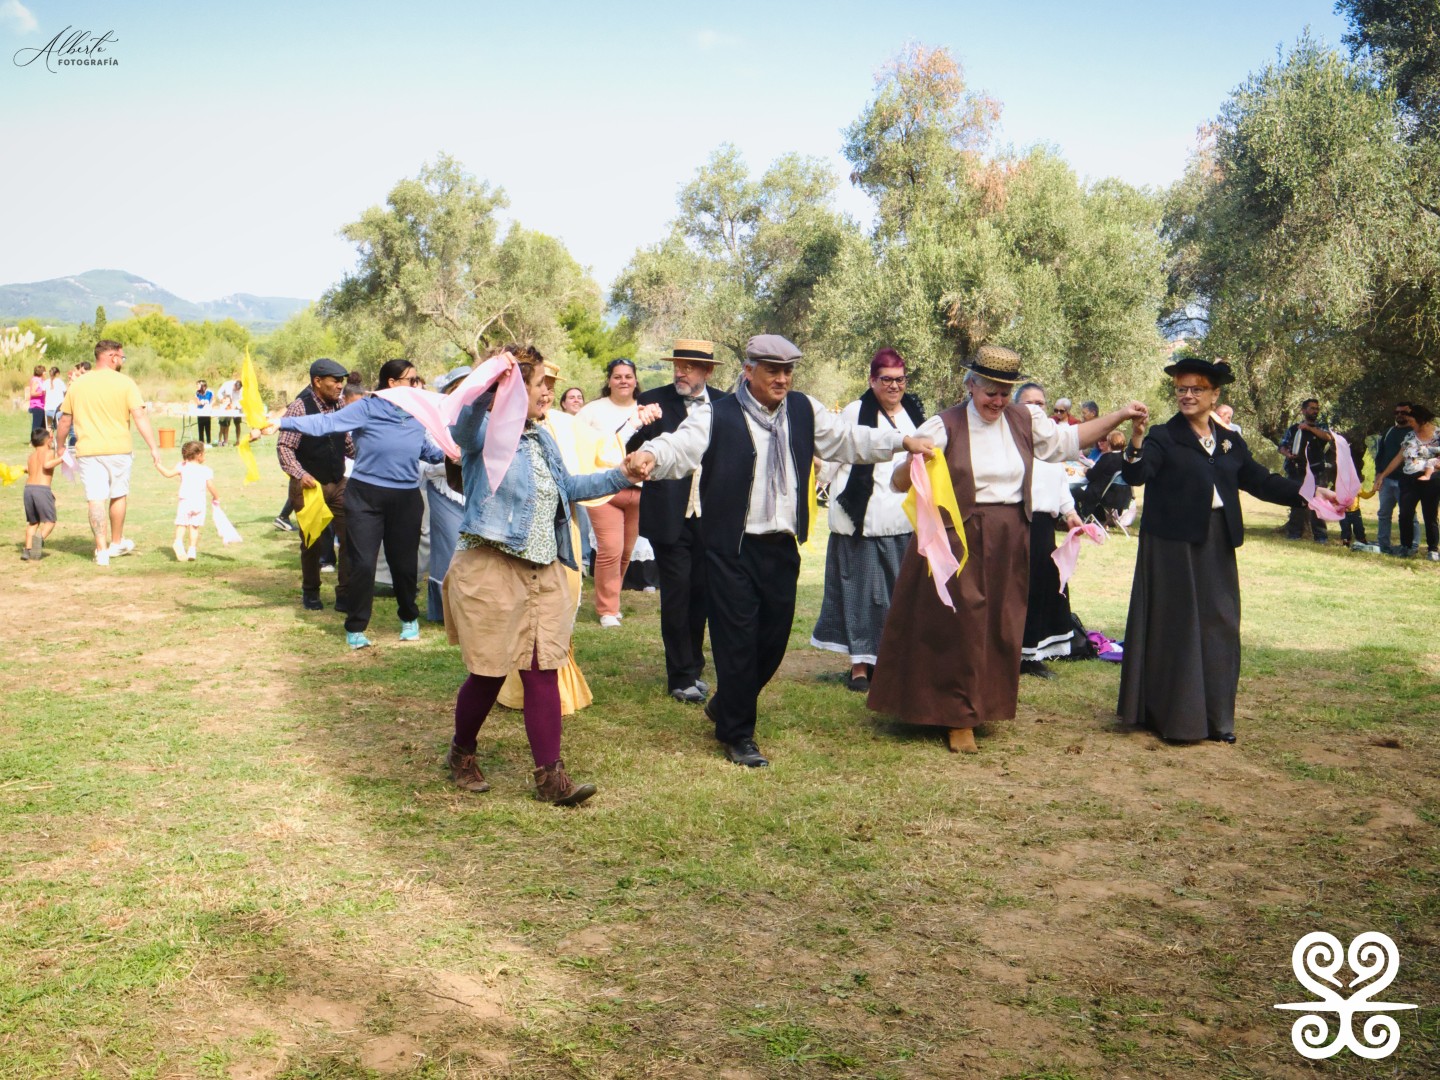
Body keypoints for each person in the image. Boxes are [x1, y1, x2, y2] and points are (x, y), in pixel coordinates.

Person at [627, 334, 933, 767]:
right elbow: (678, 445)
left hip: (782, 548)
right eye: (772, 370)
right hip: (731, 548)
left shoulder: (804, 410)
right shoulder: (718, 413)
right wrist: (649, 455)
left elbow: (849, 440)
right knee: (737, 643)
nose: (782, 379)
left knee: (771, 643)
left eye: (788, 371)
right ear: (749, 371)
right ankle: (738, 734)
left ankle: (726, 703)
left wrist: (901, 442)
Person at [866, 346, 1144, 752]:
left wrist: (1119, 415)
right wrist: (914, 462)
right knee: (960, 624)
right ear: (971, 385)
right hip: (959, 535)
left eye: (1004, 393)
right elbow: (898, 481)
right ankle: (956, 716)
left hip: (1012, 533)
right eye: (989, 393)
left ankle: (982, 705)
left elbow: (1070, 441)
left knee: (1000, 624)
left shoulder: (1024, 420)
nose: (997, 402)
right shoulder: (945, 425)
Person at [443, 346, 641, 804]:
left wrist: (621, 474)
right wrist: (492, 381)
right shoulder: (485, 432)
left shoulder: (542, 437)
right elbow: (463, 427)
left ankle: (551, 778)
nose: (549, 393)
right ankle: (462, 752)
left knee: (542, 670)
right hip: (491, 566)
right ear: (512, 391)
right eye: (540, 385)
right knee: (489, 673)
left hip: (544, 567)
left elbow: (568, 487)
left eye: (551, 385)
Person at [1117, 358, 1337, 743]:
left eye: (1196, 389)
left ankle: (1217, 719)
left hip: (1217, 539)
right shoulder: (1162, 436)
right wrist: (1135, 441)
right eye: (1181, 389)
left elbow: (1261, 481)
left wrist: (1311, 493)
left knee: (1221, 623)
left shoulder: (1230, 441)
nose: (1187, 395)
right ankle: (1175, 720)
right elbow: (1137, 473)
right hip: (1171, 543)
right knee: (1178, 626)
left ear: (1214, 394)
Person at [277, 358, 443, 648]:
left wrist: (452, 454)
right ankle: (356, 627)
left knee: (404, 565)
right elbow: (325, 423)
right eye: (411, 380)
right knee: (363, 564)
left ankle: (409, 618)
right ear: (392, 383)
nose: (417, 385)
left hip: (406, 499)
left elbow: (425, 449)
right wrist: (281, 421)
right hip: (366, 496)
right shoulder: (367, 407)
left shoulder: (416, 413)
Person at [809, 347, 923, 693]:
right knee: (858, 595)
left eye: (900, 379)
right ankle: (859, 667)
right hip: (860, 520)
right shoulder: (855, 411)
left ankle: (889, 662)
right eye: (886, 379)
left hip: (901, 520)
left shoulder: (915, 414)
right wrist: (814, 466)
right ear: (872, 380)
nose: (894, 386)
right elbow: (833, 457)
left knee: (895, 597)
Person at [624, 339, 726, 703]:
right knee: (678, 594)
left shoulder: (724, 404)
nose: (680, 372)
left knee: (701, 594)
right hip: (669, 514)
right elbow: (630, 450)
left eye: (689, 367)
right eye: (677, 365)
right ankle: (680, 677)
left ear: (707, 371)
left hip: (710, 516)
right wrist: (638, 425)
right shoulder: (653, 400)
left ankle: (693, 667)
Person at [53, 340, 164, 566]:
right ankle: (116, 543)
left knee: (95, 498)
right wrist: (153, 446)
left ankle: (101, 550)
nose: (122, 361)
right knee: (118, 495)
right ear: (112, 357)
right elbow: (139, 416)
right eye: (121, 357)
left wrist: (60, 445)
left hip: (88, 450)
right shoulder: (125, 383)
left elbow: (65, 420)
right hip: (119, 449)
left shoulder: (78, 384)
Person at [575, 359, 661, 627]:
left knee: (626, 552)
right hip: (604, 491)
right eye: (617, 376)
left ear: (636, 380)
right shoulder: (592, 411)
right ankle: (607, 610)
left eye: (628, 376)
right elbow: (576, 442)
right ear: (609, 380)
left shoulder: (646, 409)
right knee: (610, 549)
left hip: (640, 491)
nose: (623, 381)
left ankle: (612, 600)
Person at [1014, 382, 1085, 678]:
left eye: (1040, 403)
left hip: (1043, 526)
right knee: (1015, 589)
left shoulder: (1052, 441)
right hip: (1013, 521)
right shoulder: (1008, 438)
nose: (1035, 408)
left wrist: (1071, 513)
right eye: (1028, 402)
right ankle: (1008, 652)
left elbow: (1060, 482)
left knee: (1042, 586)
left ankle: (1031, 654)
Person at [276, 359, 355, 612]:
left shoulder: (340, 405)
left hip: (338, 481)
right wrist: (300, 474)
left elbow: (346, 442)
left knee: (350, 537)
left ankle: (345, 595)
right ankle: (311, 592)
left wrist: (367, 455)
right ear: (318, 382)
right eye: (335, 381)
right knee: (313, 542)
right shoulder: (300, 407)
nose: (340, 386)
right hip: (308, 485)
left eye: (342, 381)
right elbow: (284, 446)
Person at [423, 364, 472, 622]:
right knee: (450, 547)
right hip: (443, 489)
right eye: (460, 386)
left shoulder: (481, 414)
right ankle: (445, 610)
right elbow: (427, 455)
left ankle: (471, 608)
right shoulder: (436, 417)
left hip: (474, 489)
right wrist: (452, 461)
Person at [1373, 403, 1440, 561]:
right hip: (1409, 480)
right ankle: (1406, 547)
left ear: (1421, 420)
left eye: (1411, 422)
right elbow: (1398, 458)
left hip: (1432, 479)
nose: (1409, 425)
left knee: (1430, 515)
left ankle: (1432, 549)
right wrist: (1382, 476)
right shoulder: (1410, 436)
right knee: (1405, 514)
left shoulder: (1438, 435)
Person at [1280, 398, 1334, 542]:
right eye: (1312, 408)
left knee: (1318, 504)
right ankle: (1294, 534)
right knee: (1297, 502)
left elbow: (1328, 437)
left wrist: (1309, 428)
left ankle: (1321, 537)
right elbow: (1282, 446)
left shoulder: (1321, 427)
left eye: (1317, 408)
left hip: (1317, 472)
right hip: (1296, 470)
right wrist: (1288, 454)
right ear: (1304, 410)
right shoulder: (1294, 429)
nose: (1315, 411)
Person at [158, 440, 219, 561]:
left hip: (185, 501)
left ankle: (178, 542)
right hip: (199, 503)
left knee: (182, 524)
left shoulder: (182, 466)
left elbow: (168, 474)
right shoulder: (206, 470)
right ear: (199, 454)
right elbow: (210, 486)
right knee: (194, 527)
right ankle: (192, 550)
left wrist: (158, 464)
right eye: (204, 453)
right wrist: (216, 496)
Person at [1374, 402, 1416, 553]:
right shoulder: (1389, 431)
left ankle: (1412, 545)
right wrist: (1378, 475)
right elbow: (1380, 455)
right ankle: (1383, 545)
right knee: (1384, 514)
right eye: (1397, 412)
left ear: (1411, 414)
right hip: (1386, 479)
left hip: (1406, 480)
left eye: (1403, 412)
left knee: (1408, 514)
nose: (1399, 415)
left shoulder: (1414, 433)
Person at [20, 429, 62, 560]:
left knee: (33, 522)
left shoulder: (31, 456)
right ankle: (39, 540)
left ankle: (27, 550)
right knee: (50, 521)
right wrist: (62, 459)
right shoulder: (49, 452)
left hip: (28, 489)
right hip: (42, 489)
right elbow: (47, 465)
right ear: (48, 441)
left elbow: (31, 470)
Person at [215, 377, 241, 446]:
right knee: (225, 425)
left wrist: (237, 406)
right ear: (234, 385)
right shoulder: (227, 384)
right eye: (235, 389)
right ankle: (224, 441)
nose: (236, 390)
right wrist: (222, 399)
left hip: (236, 408)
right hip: (226, 407)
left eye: (237, 390)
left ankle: (237, 440)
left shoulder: (242, 390)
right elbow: (219, 393)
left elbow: (242, 399)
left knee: (237, 424)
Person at [42, 367, 65, 432]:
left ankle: (50, 437)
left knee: (49, 427)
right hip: (59, 409)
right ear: (57, 373)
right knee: (60, 426)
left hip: (48, 408)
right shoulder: (60, 382)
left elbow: (44, 394)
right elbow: (65, 393)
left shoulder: (45, 382)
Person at [27, 365, 46, 434]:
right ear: (41, 372)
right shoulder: (36, 381)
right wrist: (42, 393)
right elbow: (32, 393)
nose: (45, 373)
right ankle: (33, 439)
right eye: (44, 371)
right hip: (37, 405)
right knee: (36, 426)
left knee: (42, 426)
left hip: (42, 406)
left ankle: (41, 439)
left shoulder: (41, 380)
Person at [194, 380, 215, 445]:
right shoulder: (197, 393)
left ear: (203, 386)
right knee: (200, 427)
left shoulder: (209, 392)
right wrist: (201, 402)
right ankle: (201, 442)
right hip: (200, 411)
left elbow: (213, 400)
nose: (197, 386)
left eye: (198, 385)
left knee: (207, 427)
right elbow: (197, 402)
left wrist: (210, 405)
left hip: (207, 412)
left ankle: (208, 442)